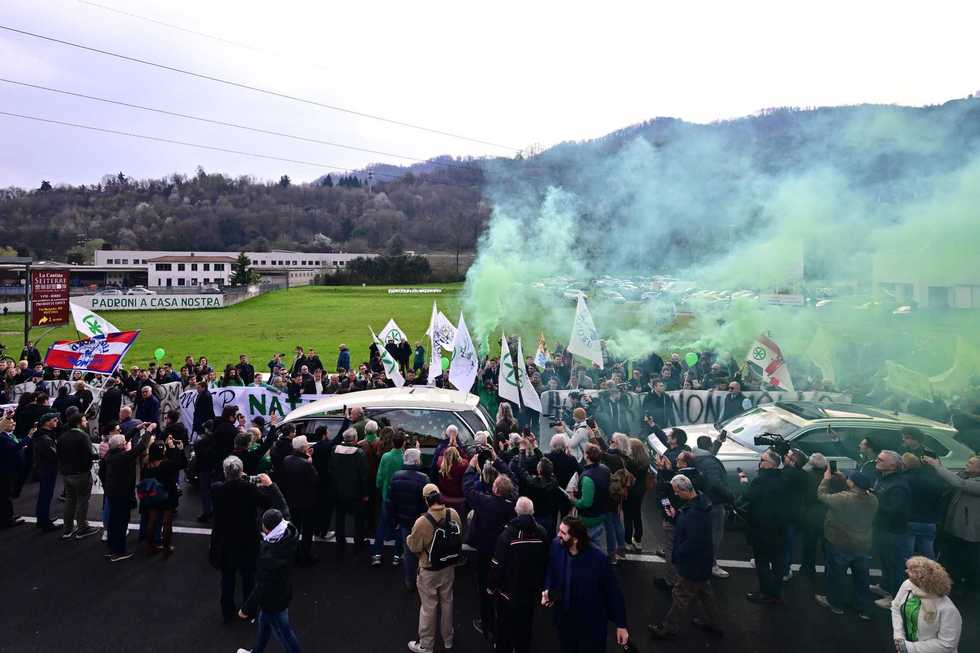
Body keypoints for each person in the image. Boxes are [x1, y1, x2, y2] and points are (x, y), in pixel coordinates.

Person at [210, 457, 288, 623]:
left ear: (225, 472)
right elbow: (267, 503)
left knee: (227, 578)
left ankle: (227, 612)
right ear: (241, 470)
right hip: (247, 538)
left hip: (225, 539)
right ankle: (248, 610)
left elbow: (219, 485)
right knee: (248, 577)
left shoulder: (217, 489)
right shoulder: (249, 489)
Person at [649, 474, 722, 639]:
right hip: (702, 562)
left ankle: (668, 627)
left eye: (676, 491)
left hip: (693, 564)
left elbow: (692, 541)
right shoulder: (698, 505)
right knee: (706, 594)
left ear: (683, 490)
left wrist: (678, 554)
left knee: (680, 595)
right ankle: (716, 624)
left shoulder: (693, 513)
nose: (675, 494)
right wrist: (676, 516)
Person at [542, 516, 629, 652]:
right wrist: (547, 590)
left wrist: (621, 625)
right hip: (565, 621)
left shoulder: (598, 559)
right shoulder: (556, 546)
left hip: (590, 625)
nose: (558, 535)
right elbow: (551, 570)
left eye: (563, 533)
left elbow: (613, 592)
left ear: (575, 538)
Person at [463, 449, 516, 642]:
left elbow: (468, 489)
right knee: (504, 585)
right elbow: (512, 476)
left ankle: (488, 626)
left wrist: (471, 466)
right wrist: (497, 460)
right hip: (506, 552)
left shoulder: (485, 503)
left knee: (485, 588)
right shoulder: (514, 502)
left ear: (494, 490)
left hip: (486, 550)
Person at [813, 467, 878, 620]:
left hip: (840, 542)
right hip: (862, 543)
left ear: (853, 484)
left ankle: (835, 604)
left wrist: (826, 479)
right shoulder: (873, 499)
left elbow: (821, 495)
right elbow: (858, 492)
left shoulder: (843, 499)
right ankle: (863, 608)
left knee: (837, 575)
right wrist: (845, 480)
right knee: (862, 578)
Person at [236, 509, 303, 653]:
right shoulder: (289, 532)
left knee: (284, 633)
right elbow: (283, 506)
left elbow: (262, 585)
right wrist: (272, 486)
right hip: (282, 593)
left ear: (268, 528)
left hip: (273, 600)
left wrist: (246, 609)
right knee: (264, 624)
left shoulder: (270, 556)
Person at [406, 483, 462, 653]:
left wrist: (409, 538)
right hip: (448, 566)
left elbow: (414, 547)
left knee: (429, 607)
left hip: (429, 569)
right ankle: (448, 639)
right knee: (447, 602)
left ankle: (426, 644)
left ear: (426, 500)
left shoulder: (422, 522)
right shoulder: (453, 513)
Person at [488, 497, 549, 653]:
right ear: (532, 512)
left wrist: (491, 586)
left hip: (508, 592)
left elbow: (497, 565)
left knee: (504, 628)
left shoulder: (508, 535)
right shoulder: (541, 533)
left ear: (516, 511)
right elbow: (545, 560)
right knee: (525, 628)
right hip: (530, 592)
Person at [923, 454, 979, 591]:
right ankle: (955, 584)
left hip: (969, 532)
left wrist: (937, 466)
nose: (967, 464)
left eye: (971, 463)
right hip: (954, 528)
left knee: (968, 560)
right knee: (953, 559)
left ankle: (968, 588)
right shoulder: (965, 475)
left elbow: (959, 483)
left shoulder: (974, 482)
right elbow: (950, 479)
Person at [743, 449, 790, 604]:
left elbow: (748, 497)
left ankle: (765, 592)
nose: (760, 463)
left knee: (762, 563)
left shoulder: (760, 481)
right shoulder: (783, 479)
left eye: (762, 460)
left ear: (770, 464)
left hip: (762, 529)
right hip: (780, 529)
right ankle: (776, 592)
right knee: (777, 563)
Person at [102, 423, 154, 562]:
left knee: (114, 521)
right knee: (121, 522)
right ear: (121, 446)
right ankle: (119, 551)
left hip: (112, 493)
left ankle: (113, 548)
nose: (126, 442)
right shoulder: (123, 458)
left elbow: (123, 439)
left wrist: (138, 428)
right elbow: (141, 447)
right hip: (122, 494)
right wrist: (148, 431)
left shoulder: (110, 454)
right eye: (124, 443)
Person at [890, 557, 962, 653]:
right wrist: (899, 636)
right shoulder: (908, 585)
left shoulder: (948, 609)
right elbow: (896, 607)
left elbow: (947, 644)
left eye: (912, 571)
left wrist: (909, 648)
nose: (906, 571)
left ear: (922, 579)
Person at [872, 450, 913, 608]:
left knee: (894, 565)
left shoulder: (899, 486)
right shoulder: (883, 478)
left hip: (893, 532)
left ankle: (895, 599)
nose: (877, 460)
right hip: (882, 528)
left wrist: (874, 501)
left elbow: (896, 511)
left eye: (881, 460)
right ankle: (885, 587)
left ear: (893, 465)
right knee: (885, 561)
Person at [387, 448, 430, 590]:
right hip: (420, 521)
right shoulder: (423, 478)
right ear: (417, 460)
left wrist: (394, 520)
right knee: (423, 550)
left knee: (408, 551)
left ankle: (409, 581)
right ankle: (423, 580)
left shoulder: (395, 476)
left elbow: (391, 502)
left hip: (404, 520)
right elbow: (426, 503)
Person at [692, 435, 733, 578]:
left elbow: (709, 455)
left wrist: (718, 442)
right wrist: (730, 496)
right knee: (715, 534)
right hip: (714, 503)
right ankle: (711, 564)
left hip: (700, 501)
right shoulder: (710, 462)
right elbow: (716, 482)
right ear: (709, 447)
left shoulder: (696, 456)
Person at [140, 435, 187, 556]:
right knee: (167, 523)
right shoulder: (167, 464)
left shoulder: (146, 464)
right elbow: (181, 464)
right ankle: (166, 547)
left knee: (152, 521)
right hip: (167, 496)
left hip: (152, 494)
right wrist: (178, 449)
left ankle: (150, 546)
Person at [328, 427, 370, 559]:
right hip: (355, 493)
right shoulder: (359, 453)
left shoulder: (334, 450)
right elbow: (364, 476)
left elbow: (331, 471)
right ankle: (358, 544)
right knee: (358, 519)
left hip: (338, 491)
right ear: (355, 438)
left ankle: (340, 543)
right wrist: (365, 493)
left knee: (339, 518)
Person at [56, 412, 99, 539]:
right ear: (79, 423)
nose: (86, 423)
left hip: (66, 474)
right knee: (83, 501)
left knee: (70, 501)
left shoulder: (62, 437)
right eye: (85, 421)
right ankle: (82, 527)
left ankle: (67, 529)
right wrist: (101, 455)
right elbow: (89, 455)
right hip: (81, 473)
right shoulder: (83, 436)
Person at [282, 436, 319, 566]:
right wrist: (310, 461)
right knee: (308, 530)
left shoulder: (287, 460)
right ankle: (306, 554)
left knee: (295, 527)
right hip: (307, 501)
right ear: (304, 448)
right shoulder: (306, 464)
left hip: (292, 500)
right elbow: (315, 479)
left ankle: (295, 553)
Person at [372, 431, 406, 567]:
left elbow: (379, 479)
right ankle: (397, 556)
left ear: (392, 442)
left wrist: (382, 489)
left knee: (382, 525)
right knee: (400, 527)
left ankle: (376, 555)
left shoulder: (385, 457)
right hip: (401, 499)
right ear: (403, 443)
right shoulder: (405, 458)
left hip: (387, 496)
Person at [902, 453, 946, 560]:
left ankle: (907, 575)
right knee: (928, 552)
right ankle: (931, 575)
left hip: (910, 520)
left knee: (907, 554)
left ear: (904, 465)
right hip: (929, 521)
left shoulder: (904, 480)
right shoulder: (935, 479)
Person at [573, 444, 610, 554]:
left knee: (588, 546)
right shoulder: (605, 469)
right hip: (601, 513)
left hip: (589, 517)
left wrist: (574, 502)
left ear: (587, 456)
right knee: (596, 543)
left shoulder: (587, 477)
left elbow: (586, 502)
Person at [0, 412, 30, 527]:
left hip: (7, 469)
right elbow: (14, 447)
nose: (13, 424)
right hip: (4, 470)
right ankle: (6, 519)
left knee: (5, 496)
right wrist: (28, 437)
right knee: (5, 496)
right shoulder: (2, 438)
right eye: (10, 422)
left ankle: (8, 516)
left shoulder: (6, 436)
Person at [32, 412, 60, 533]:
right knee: (45, 496)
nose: (57, 421)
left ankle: (42, 519)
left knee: (45, 495)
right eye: (54, 420)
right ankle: (44, 522)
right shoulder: (44, 438)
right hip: (47, 469)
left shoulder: (43, 435)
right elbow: (53, 454)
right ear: (46, 422)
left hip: (45, 468)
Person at [623, 437, 650, 554]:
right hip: (640, 490)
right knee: (637, 515)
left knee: (627, 517)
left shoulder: (629, 463)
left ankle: (628, 541)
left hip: (629, 490)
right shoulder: (645, 461)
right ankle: (638, 540)